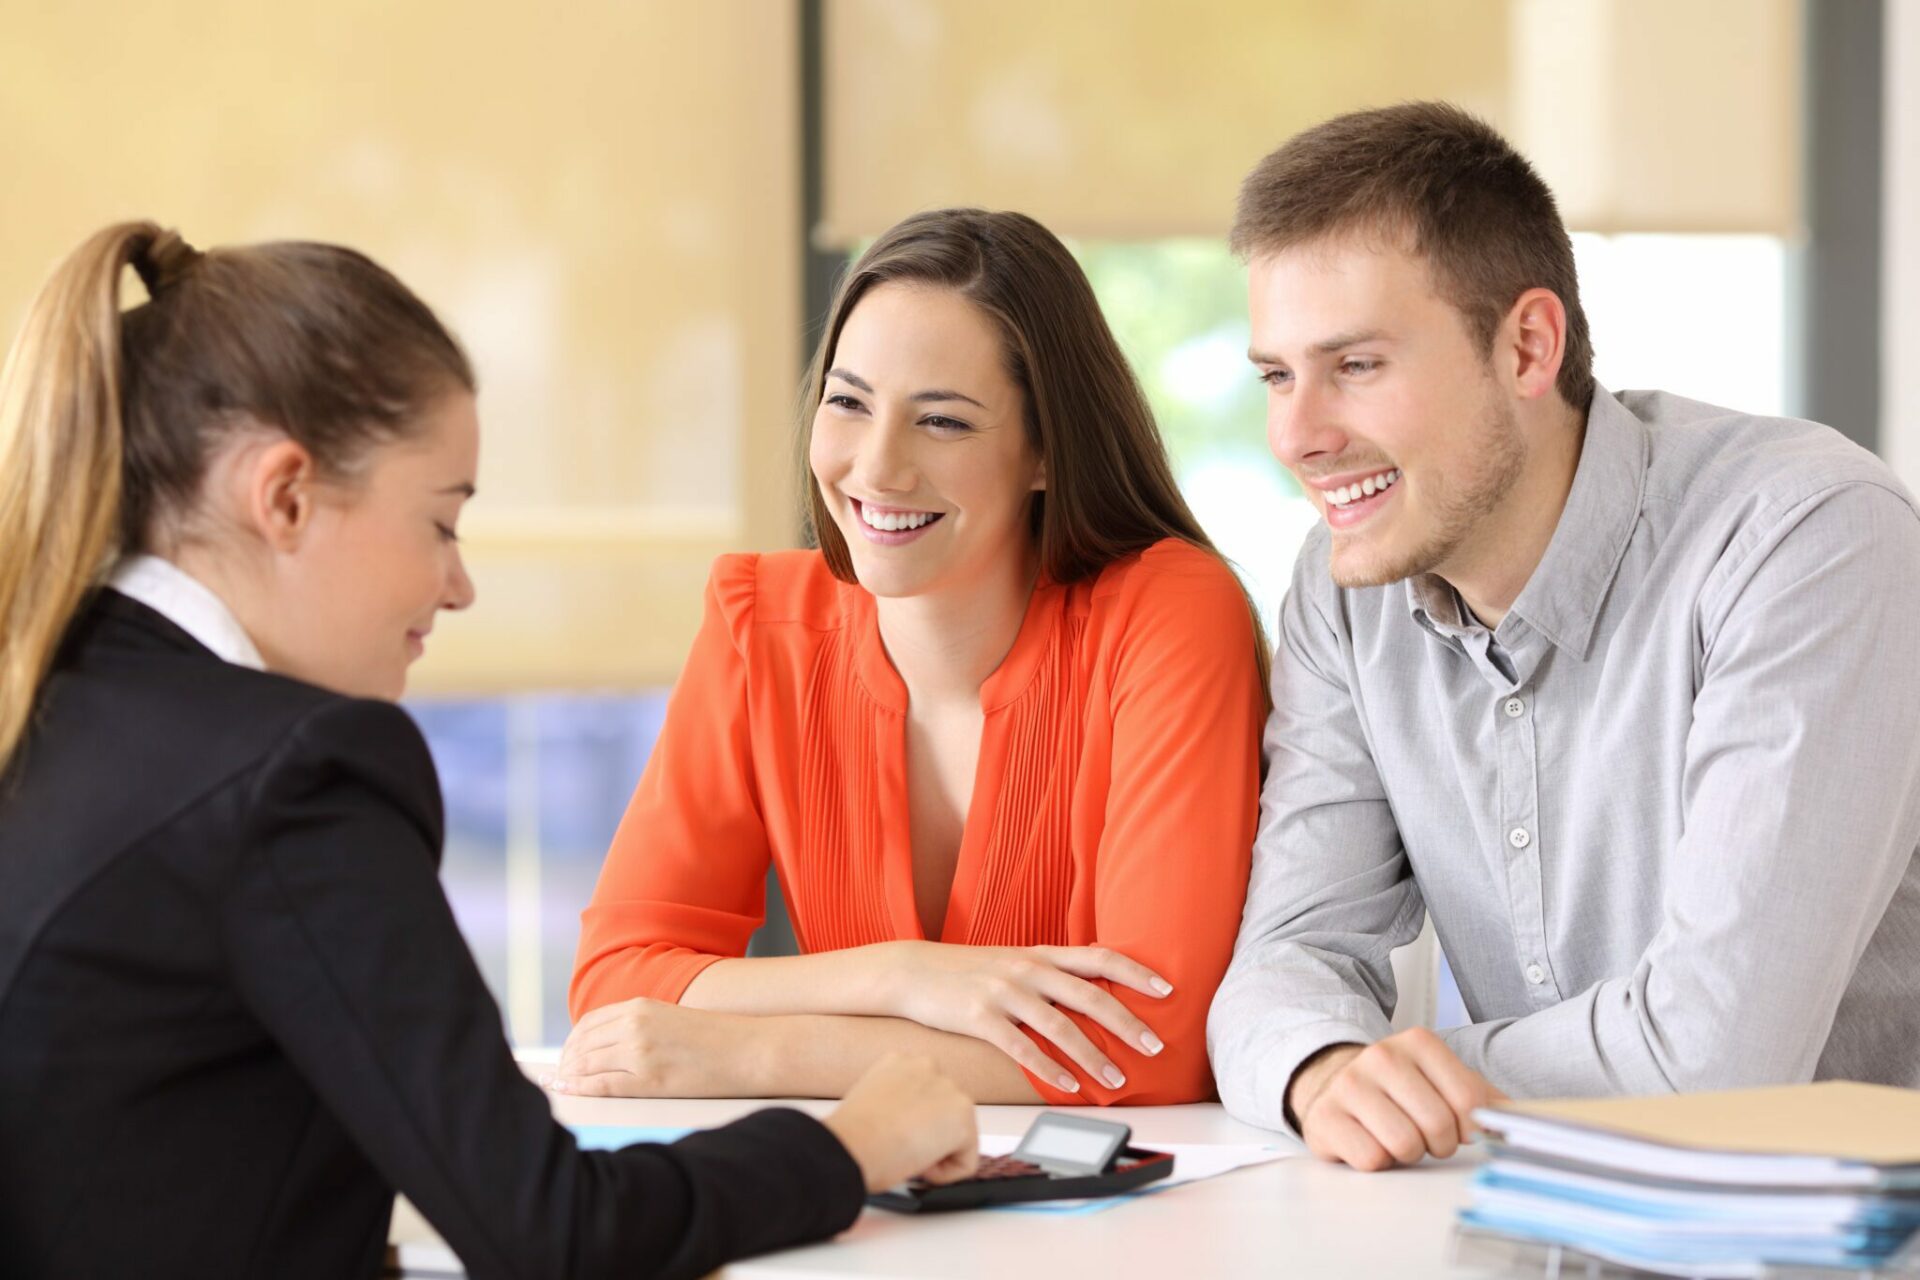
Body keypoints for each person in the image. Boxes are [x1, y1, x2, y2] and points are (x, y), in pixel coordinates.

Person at [0, 222, 979, 1280]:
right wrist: (852, 1141)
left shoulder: (52, 703)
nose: (459, 585)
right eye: (441, 522)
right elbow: (552, 1227)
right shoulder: (290, 776)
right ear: (283, 495)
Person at [1206, 101, 1920, 1172]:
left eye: (1354, 365)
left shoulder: (1807, 537)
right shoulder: (1347, 587)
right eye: (1276, 374)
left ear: (1527, 345)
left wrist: (1404, 1073)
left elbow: (1715, 1057)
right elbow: (1285, 962)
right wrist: (1321, 1072)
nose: (1296, 436)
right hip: (1544, 1213)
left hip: (1841, 1233)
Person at [563, 209, 1268, 1106]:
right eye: (849, 402)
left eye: (942, 422)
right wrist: (901, 976)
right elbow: (616, 986)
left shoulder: (1166, 615)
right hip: (881, 1193)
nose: (877, 467)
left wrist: (752, 1055)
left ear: (1045, 452)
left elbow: (1150, 1045)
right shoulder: (759, 627)